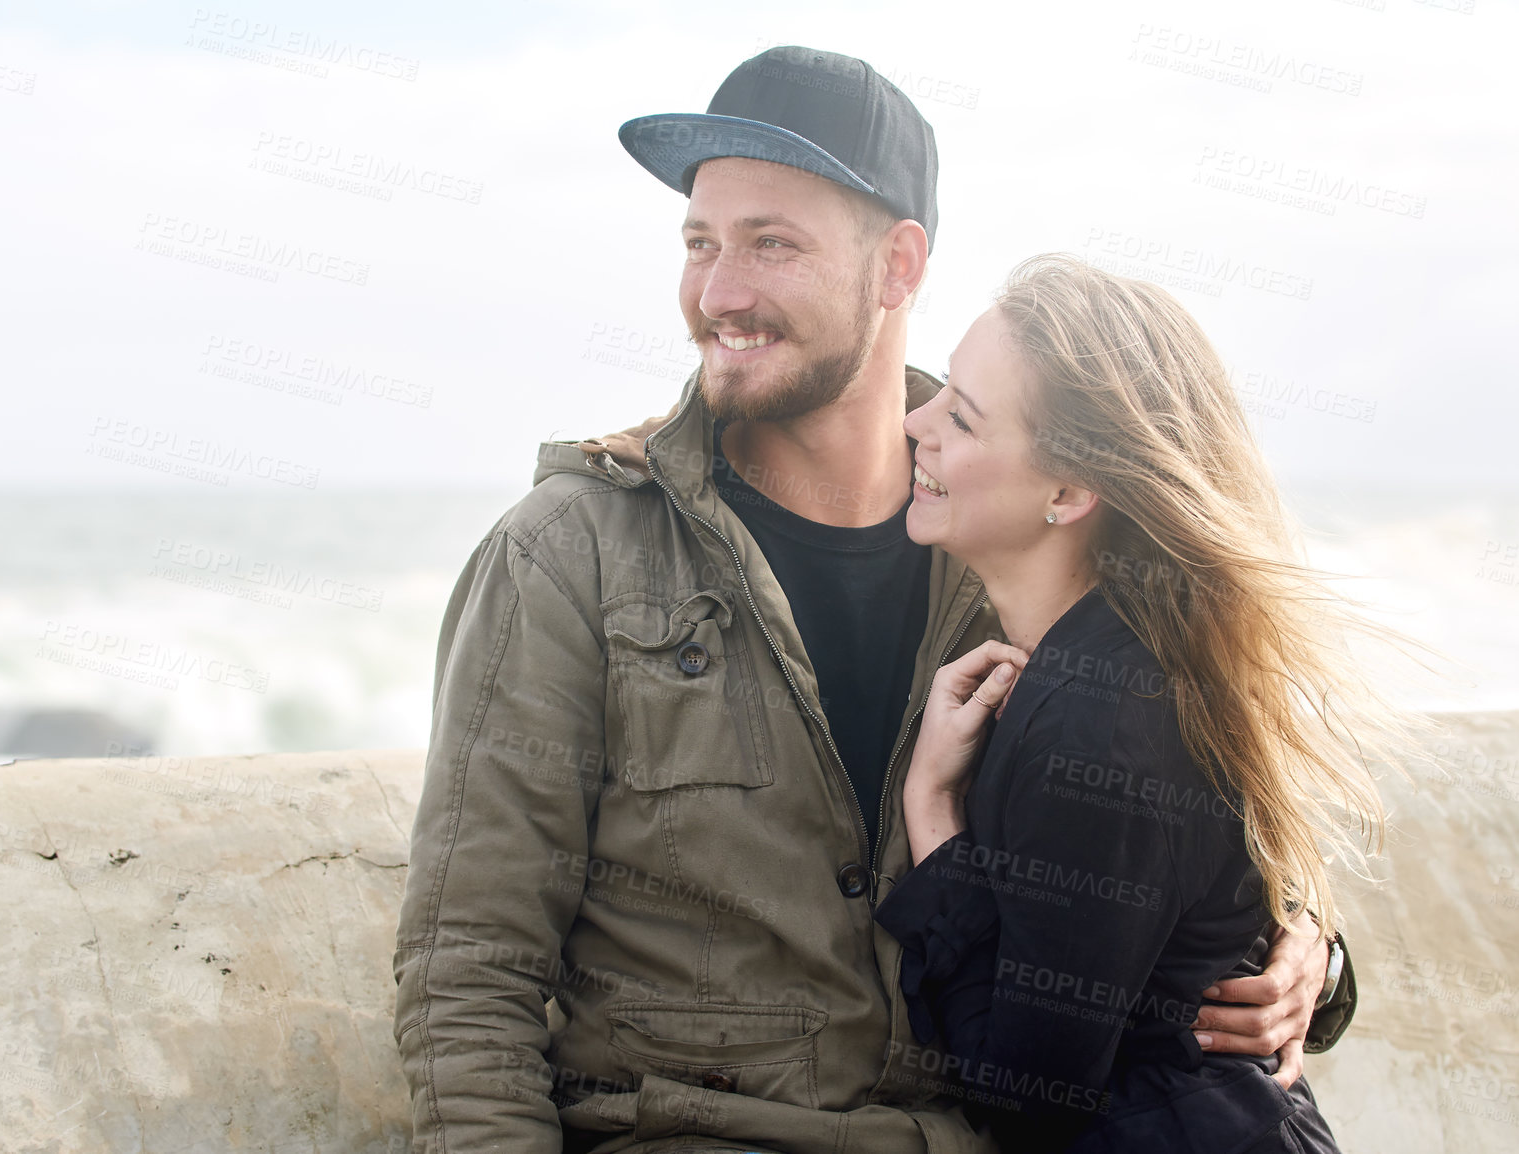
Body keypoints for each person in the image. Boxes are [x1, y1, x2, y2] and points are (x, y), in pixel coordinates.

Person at [393, 46, 1350, 1154]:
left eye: (772, 243)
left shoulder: (1021, 531)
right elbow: (469, 971)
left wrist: (1313, 953)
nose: (719, 292)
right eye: (700, 243)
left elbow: (1200, 822)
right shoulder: (568, 554)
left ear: (898, 267)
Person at [876, 255, 1407, 1151]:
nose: (913, 423)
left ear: (1070, 492)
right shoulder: (1125, 659)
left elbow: (1025, 1097)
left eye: (960, 416)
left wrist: (931, 811)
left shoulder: (1101, 717)